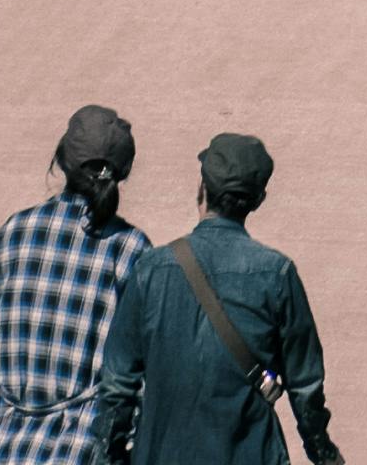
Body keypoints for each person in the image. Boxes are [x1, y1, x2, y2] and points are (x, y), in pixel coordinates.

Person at [91, 127, 338, 464]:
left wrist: (111, 456)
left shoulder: (152, 270)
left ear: (202, 189)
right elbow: (305, 386)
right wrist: (323, 452)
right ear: (258, 200)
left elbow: (117, 385)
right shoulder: (277, 274)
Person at [0, 105, 151, 465]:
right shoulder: (131, 249)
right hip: (82, 450)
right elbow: (144, 361)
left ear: (61, 161)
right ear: (122, 173)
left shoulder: (14, 232)